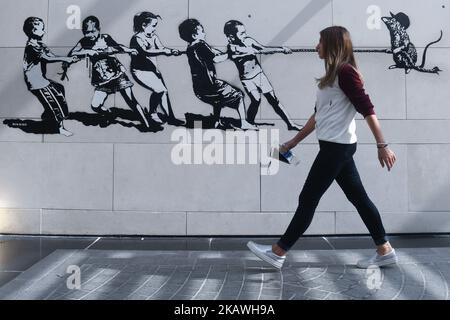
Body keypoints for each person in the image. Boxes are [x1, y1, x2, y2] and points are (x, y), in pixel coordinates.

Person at [247, 26, 398, 269]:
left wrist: (382, 145)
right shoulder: (332, 76)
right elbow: (318, 115)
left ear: (333, 45)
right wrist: (292, 142)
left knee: (308, 199)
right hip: (337, 148)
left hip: (336, 150)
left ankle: (278, 252)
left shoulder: (347, 73)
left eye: (320, 42)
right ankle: (384, 250)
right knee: (359, 198)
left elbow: (367, 109)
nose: (316, 46)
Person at [67, 16, 151, 129]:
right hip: (102, 79)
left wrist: (129, 50)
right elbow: (72, 53)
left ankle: (147, 123)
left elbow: (118, 47)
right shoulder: (83, 42)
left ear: (99, 29)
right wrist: (88, 51)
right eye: (87, 32)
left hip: (117, 75)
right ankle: (109, 114)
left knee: (131, 100)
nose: (90, 35)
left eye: (93, 31)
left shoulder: (105, 38)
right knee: (95, 106)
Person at [178, 19, 257, 130]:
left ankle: (216, 122)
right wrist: (229, 54)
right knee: (239, 96)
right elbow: (216, 58)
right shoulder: (200, 44)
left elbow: (211, 52)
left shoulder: (190, 48)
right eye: (202, 31)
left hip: (199, 88)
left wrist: (222, 53)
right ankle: (244, 123)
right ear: (195, 35)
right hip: (210, 85)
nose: (204, 33)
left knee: (217, 101)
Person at [224, 20, 302, 131]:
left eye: (244, 32)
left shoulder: (249, 40)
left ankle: (290, 124)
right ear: (231, 37)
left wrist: (281, 50)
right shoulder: (232, 48)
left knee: (273, 100)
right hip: (247, 79)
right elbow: (246, 51)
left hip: (259, 75)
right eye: (241, 33)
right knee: (256, 100)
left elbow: (263, 49)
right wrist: (253, 51)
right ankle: (249, 123)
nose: (245, 35)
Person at [23, 17, 79, 136]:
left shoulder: (40, 45)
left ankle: (48, 114)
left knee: (59, 88)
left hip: (41, 80)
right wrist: (66, 58)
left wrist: (67, 60)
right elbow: (47, 58)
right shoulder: (31, 47)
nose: (44, 32)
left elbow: (51, 55)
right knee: (58, 103)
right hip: (36, 83)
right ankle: (59, 128)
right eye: (41, 29)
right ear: (33, 31)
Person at [130, 12, 185, 126]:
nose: (155, 29)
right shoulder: (137, 38)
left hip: (152, 70)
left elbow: (161, 48)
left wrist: (170, 51)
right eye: (153, 25)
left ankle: (171, 117)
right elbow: (145, 51)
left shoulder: (154, 37)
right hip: (140, 71)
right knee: (160, 90)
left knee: (164, 92)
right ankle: (152, 113)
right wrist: (163, 51)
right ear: (144, 25)